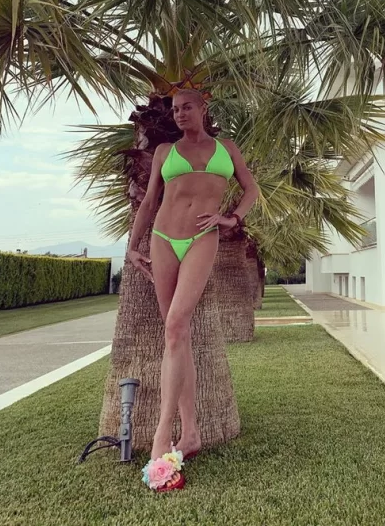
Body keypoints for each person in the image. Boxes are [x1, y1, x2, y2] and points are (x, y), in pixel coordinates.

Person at [127, 88, 259, 492]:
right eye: (175, 109)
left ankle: (162, 434)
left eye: (187, 107)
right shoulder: (165, 152)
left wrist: (232, 218)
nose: (180, 114)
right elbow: (149, 201)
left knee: (176, 325)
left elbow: (251, 190)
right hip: (163, 238)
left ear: (203, 109)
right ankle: (191, 434)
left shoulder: (227, 148)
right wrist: (132, 246)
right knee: (176, 334)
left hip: (203, 238)